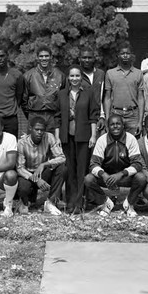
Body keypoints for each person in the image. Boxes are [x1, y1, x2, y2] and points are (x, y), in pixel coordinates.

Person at [84, 114, 147, 218]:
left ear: (123, 125)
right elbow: (93, 164)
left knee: (141, 178)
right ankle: (106, 203)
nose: (115, 126)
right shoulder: (102, 140)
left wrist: (121, 174)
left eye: (118, 124)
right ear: (108, 127)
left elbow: (137, 164)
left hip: (124, 176)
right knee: (88, 179)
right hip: (107, 177)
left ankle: (129, 204)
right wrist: (104, 175)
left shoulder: (130, 139)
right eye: (112, 124)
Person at [55, 64, 99, 213]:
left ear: (82, 77)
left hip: (83, 136)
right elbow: (57, 118)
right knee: (69, 170)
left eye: (77, 76)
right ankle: (70, 202)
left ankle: (80, 203)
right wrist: (57, 138)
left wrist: (93, 135)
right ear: (68, 77)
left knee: (81, 171)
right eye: (72, 76)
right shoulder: (61, 94)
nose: (74, 78)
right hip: (66, 137)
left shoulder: (89, 93)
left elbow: (93, 115)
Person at [17, 117, 67, 215]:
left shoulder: (49, 137)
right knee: (23, 187)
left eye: (42, 130)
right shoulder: (22, 143)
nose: (39, 132)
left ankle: (51, 202)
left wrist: (44, 164)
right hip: (28, 174)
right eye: (37, 129)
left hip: (42, 171)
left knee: (62, 169)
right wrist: (36, 179)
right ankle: (25, 202)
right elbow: (20, 168)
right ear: (30, 129)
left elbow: (62, 157)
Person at [103, 42, 145, 136]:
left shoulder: (138, 73)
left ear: (131, 55)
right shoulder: (110, 73)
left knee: (134, 146)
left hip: (133, 115)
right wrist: (107, 119)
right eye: (122, 53)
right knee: (116, 145)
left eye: (128, 53)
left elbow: (141, 98)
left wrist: (140, 121)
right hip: (116, 114)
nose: (125, 56)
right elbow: (107, 98)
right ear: (118, 55)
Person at [21, 45, 65, 134]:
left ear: (51, 57)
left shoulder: (60, 75)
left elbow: (63, 98)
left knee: (53, 144)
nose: (44, 58)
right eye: (41, 56)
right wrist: (31, 114)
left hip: (53, 117)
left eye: (46, 56)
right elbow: (23, 100)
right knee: (34, 145)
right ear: (37, 58)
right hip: (35, 115)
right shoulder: (28, 76)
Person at [79, 46, 106, 133]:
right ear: (79, 59)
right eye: (84, 57)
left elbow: (104, 97)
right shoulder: (75, 75)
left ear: (94, 59)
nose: (87, 60)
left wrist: (102, 116)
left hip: (98, 119)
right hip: (81, 119)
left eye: (89, 58)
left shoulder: (101, 74)